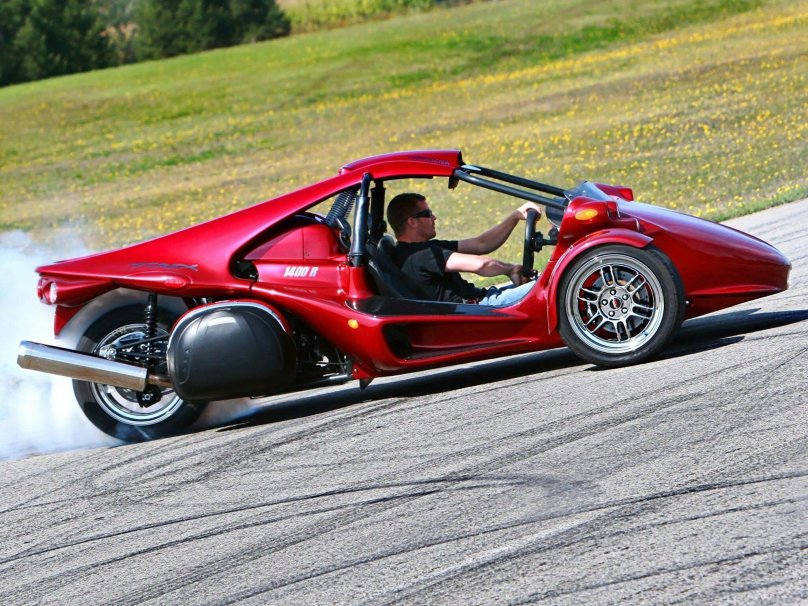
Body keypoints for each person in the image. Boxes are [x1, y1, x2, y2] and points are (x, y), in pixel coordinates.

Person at [386, 192, 542, 306]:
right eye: (428, 214)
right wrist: (511, 269)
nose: (434, 218)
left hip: (480, 302)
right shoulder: (419, 255)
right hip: (480, 307)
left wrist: (515, 216)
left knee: (549, 280)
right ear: (412, 222)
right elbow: (481, 265)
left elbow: (482, 244)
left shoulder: (419, 249)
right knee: (551, 285)